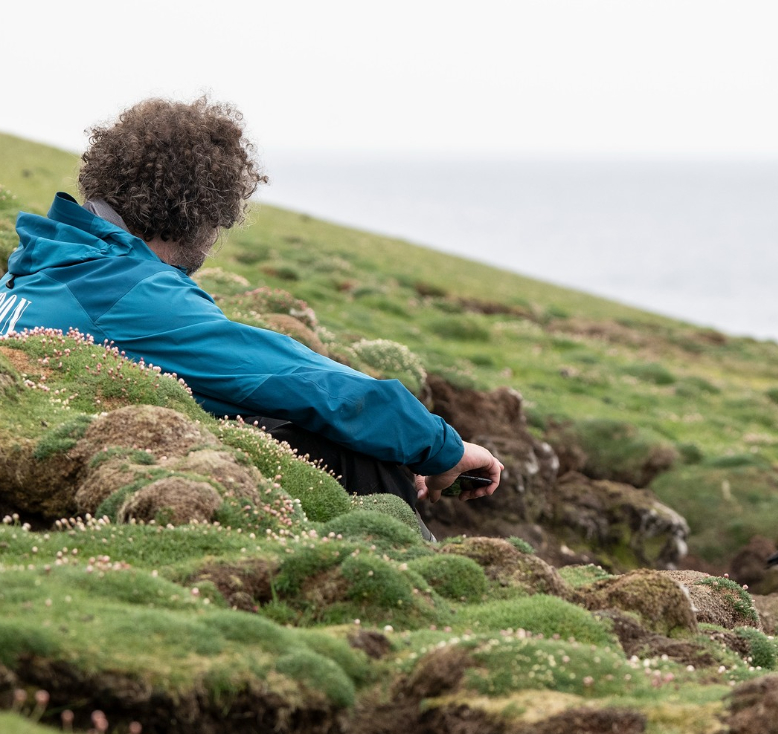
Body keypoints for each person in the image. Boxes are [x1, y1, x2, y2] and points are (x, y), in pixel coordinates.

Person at [0, 97, 502, 522]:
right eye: (221, 222)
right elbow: (294, 378)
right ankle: (407, 572)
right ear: (199, 213)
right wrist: (443, 449)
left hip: (63, 440)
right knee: (347, 452)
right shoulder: (131, 290)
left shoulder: (41, 263)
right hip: (80, 471)